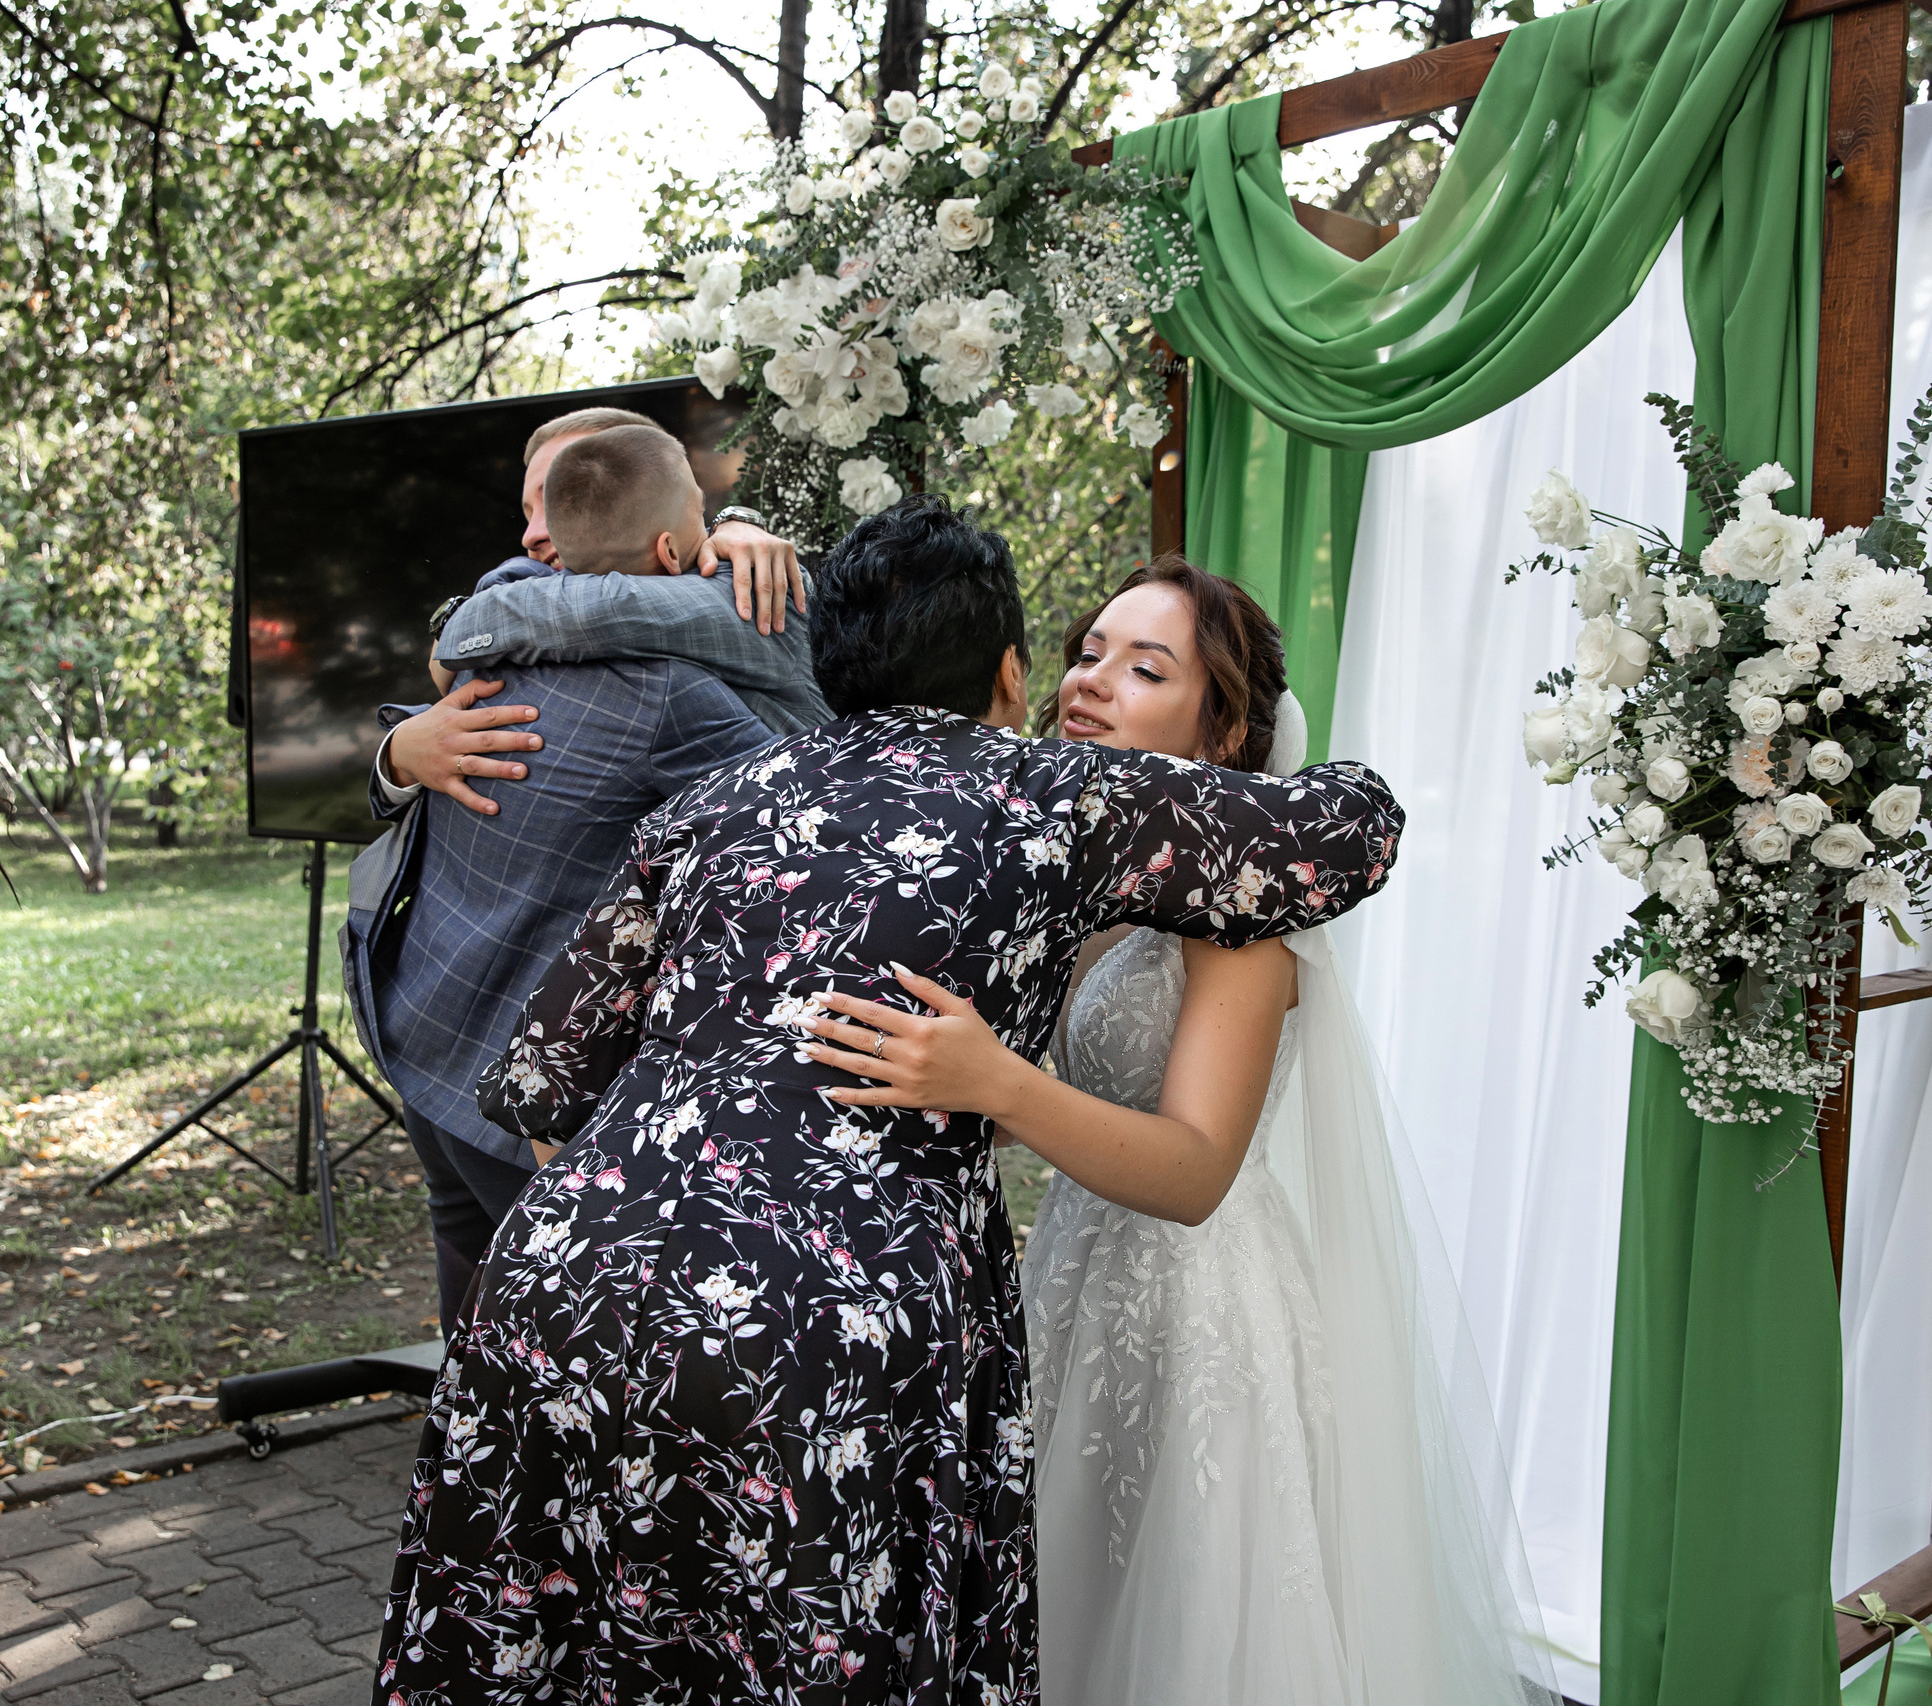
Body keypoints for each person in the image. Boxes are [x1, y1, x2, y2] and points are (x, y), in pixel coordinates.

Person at [374, 497, 1406, 1704]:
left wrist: (646, 1219)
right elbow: (1359, 827)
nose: (1094, 682)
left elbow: (545, 1078)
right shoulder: (1052, 794)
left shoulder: (714, 799)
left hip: (560, 1280)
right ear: (1011, 672)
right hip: (823, 1320)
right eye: (1082, 653)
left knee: (560, 1650)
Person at [810, 559, 1554, 1705]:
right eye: (1089, 652)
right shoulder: (1080, 876)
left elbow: (1199, 1165)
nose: (1091, 681)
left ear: (1222, 736)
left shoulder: (1243, 914)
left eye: (1145, 666)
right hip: (1073, 1277)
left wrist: (996, 1081)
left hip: (1201, 1306)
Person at [346, 423, 828, 1328]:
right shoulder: (654, 682)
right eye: (525, 507)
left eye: (547, 507)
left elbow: (477, 618)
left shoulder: (498, 638)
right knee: (556, 1323)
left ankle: (467, 1449)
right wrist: (400, 752)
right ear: (669, 539)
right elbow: (809, 796)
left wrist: (729, 535)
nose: (532, 536)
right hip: (497, 1058)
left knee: (486, 1287)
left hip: (435, 1023)